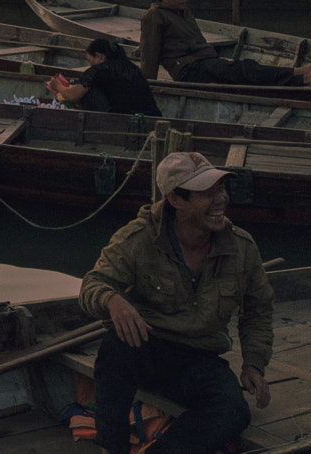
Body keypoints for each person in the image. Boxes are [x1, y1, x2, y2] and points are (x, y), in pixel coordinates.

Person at [80, 151, 275, 454]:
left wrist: (254, 362)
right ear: (175, 199)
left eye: (221, 190)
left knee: (234, 411)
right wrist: (112, 299)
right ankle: (111, 447)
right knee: (114, 351)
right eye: (207, 194)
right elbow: (93, 284)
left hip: (199, 358)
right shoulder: (137, 238)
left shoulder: (241, 247)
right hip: (148, 346)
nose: (220, 199)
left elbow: (258, 307)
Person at [140, 0, 311, 87]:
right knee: (244, 69)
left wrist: (217, 61)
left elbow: (199, 42)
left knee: (242, 68)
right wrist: (149, 86)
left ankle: (299, 75)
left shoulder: (183, 12)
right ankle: (302, 75)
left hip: (205, 63)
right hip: (187, 71)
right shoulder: (154, 16)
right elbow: (149, 53)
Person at [48, 36, 161, 115]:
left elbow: (72, 96)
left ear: (99, 56)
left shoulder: (98, 71)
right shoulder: (131, 67)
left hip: (120, 120)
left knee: (88, 92)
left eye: (89, 60)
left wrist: (57, 85)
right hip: (151, 115)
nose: (89, 64)